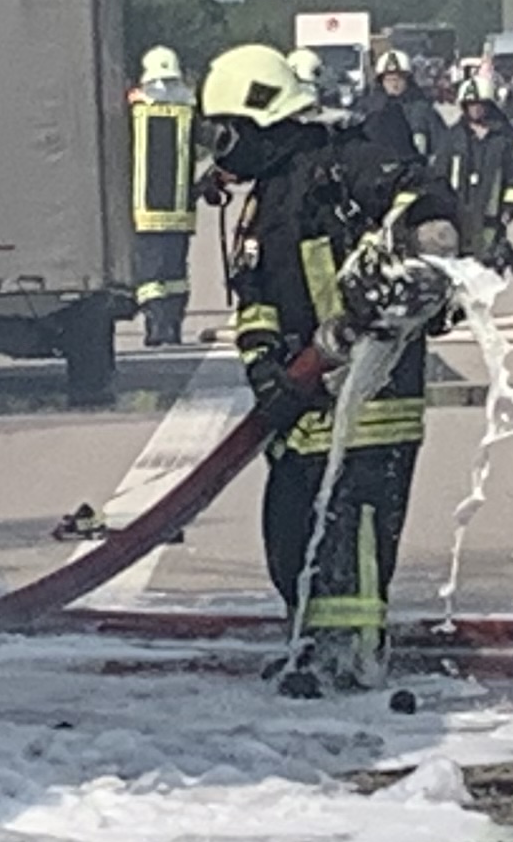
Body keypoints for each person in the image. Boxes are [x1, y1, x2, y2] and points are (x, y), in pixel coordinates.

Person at [199, 43, 471, 694]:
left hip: (371, 394)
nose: (223, 148)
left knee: (355, 533)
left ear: (262, 120)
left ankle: (348, 661)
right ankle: (311, 641)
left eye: (227, 131)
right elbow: (257, 294)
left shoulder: (345, 162)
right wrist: (264, 365)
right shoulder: (270, 194)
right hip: (303, 397)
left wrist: (416, 254)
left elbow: (426, 204)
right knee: (291, 533)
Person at [126, 44, 198, 348]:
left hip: (145, 209)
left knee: (151, 275)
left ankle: (157, 327)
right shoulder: (189, 109)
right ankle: (173, 326)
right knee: (175, 273)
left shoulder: (136, 110)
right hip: (180, 210)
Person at [448, 84, 513, 277]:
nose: (475, 109)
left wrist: (510, 206)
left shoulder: (502, 140)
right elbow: (440, 173)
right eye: (470, 104)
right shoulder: (453, 137)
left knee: (488, 271)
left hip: (491, 218)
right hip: (457, 216)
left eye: (480, 104)